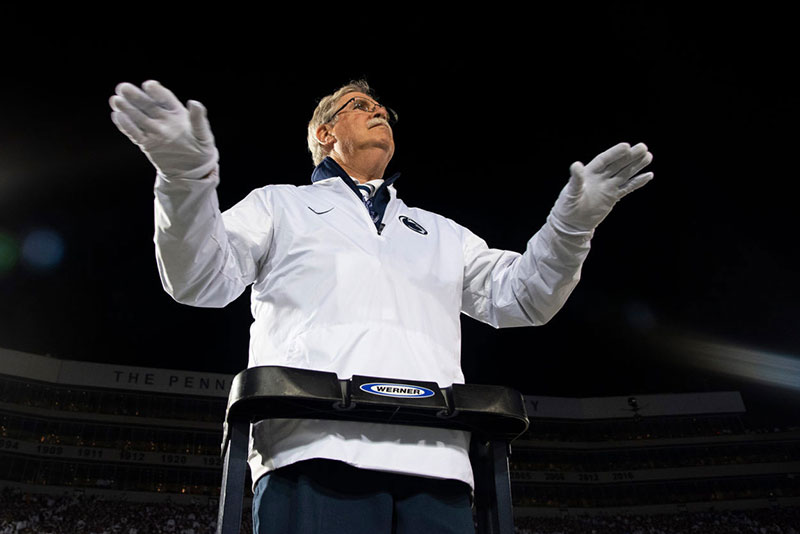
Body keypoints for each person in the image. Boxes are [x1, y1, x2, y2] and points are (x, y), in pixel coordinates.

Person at [109, 79, 654, 534]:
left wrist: (572, 224)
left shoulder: (440, 231)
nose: (378, 114)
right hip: (313, 450)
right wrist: (185, 180)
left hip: (437, 462)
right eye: (360, 106)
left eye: (381, 109)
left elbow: (525, 296)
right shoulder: (280, 205)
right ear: (324, 134)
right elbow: (200, 279)